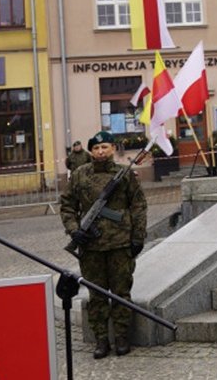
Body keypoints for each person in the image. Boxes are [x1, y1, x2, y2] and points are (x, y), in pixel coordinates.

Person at [59, 131, 147, 359]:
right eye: (96, 148)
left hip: (120, 243)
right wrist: (74, 230)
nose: (100, 152)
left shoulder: (124, 175)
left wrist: (138, 237)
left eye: (104, 147)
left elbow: (138, 206)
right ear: (91, 151)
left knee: (121, 293)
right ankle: (101, 340)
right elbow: (67, 205)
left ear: (113, 149)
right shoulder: (79, 175)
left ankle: (121, 338)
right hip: (91, 247)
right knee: (96, 296)